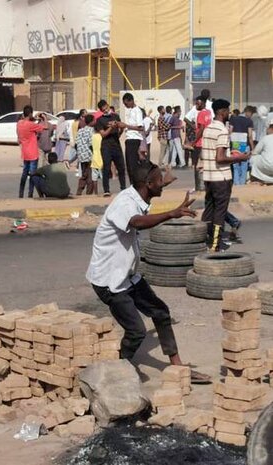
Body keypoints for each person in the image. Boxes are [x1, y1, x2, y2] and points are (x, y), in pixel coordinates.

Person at [86, 160, 211, 384]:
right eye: (159, 181)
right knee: (136, 332)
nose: (162, 184)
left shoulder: (140, 195)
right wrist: (171, 214)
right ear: (148, 184)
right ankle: (115, 372)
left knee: (161, 312)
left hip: (128, 276)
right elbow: (137, 222)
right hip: (109, 281)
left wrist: (165, 181)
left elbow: (147, 203)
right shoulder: (124, 203)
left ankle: (178, 367)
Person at [199, 99, 251, 252]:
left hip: (209, 177)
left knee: (209, 211)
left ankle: (206, 240)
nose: (229, 113)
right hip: (221, 178)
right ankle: (216, 244)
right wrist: (240, 158)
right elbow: (220, 158)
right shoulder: (222, 131)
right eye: (228, 111)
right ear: (221, 112)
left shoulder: (208, 128)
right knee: (220, 212)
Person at [96, 100, 126, 197]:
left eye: (106, 107)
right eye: (103, 109)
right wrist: (110, 128)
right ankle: (106, 190)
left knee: (121, 167)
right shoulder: (100, 120)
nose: (105, 110)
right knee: (106, 168)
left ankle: (123, 187)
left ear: (108, 106)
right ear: (101, 110)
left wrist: (121, 129)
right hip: (106, 146)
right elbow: (103, 134)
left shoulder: (116, 116)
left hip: (116, 145)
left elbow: (120, 130)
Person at [16, 105, 45, 198]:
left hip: (25, 153)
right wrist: (42, 118)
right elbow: (43, 127)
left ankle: (21, 193)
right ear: (30, 113)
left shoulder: (19, 123)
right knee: (32, 174)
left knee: (24, 173)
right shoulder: (31, 125)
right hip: (33, 153)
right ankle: (30, 194)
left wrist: (33, 119)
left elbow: (25, 123)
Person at [121, 93, 145, 184]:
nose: (125, 106)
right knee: (129, 164)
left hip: (134, 139)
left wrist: (126, 125)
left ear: (131, 101)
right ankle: (133, 184)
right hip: (129, 139)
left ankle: (135, 184)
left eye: (126, 103)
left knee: (132, 164)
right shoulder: (130, 110)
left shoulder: (137, 111)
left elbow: (140, 127)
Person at [229, 106, 255, 185]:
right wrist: (252, 148)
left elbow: (230, 132)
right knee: (244, 165)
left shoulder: (233, 119)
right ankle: (242, 184)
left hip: (235, 144)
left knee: (235, 165)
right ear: (249, 112)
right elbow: (250, 135)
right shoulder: (249, 121)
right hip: (244, 144)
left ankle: (236, 184)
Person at [192, 95, 212, 191]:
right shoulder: (208, 113)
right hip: (207, 142)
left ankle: (198, 187)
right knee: (206, 165)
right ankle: (206, 186)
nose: (196, 105)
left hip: (200, 143)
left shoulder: (200, 114)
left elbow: (201, 129)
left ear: (203, 103)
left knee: (197, 165)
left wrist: (194, 141)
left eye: (198, 103)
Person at [74, 114, 95, 195]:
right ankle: (89, 193)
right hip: (89, 156)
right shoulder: (91, 130)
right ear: (91, 122)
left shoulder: (80, 130)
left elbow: (76, 143)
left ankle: (79, 192)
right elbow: (91, 144)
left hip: (81, 156)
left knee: (84, 174)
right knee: (90, 176)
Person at [90, 122, 103, 196]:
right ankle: (105, 190)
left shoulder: (93, 136)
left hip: (94, 158)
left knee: (94, 178)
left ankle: (96, 192)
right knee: (103, 177)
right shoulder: (102, 137)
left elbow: (91, 146)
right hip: (101, 158)